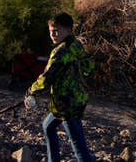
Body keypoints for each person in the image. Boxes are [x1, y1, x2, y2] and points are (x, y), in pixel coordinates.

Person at [25, 13, 95, 162]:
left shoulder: (60, 51)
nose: (53, 34)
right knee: (47, 126)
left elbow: (46, 77)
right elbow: (89, 66)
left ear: (69, 30)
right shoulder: (76, 44)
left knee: (78, 147)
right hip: (77, 98)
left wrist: (31, 91)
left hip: (66, 103)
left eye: (57, 30)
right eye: (51, 30)